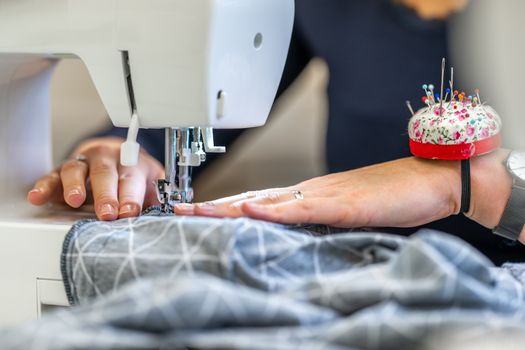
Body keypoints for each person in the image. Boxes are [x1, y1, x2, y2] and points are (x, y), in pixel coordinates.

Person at [28, 0, 524, 263]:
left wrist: (468, 183)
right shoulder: (321, 6)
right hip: (363, 284)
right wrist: (121, 151)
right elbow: (195, 105)